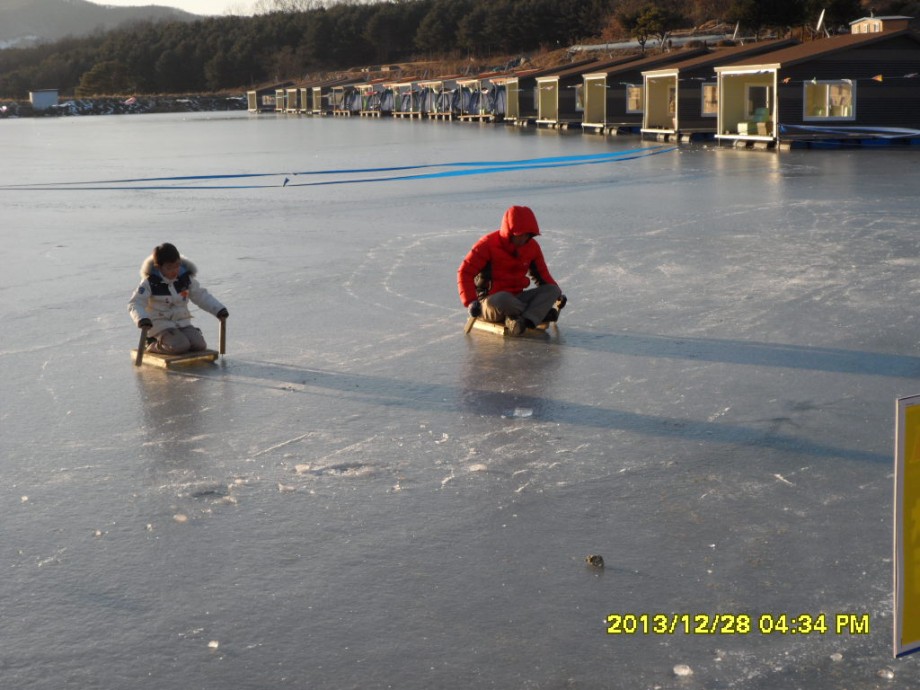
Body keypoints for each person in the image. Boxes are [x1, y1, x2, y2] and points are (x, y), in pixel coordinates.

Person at [457, 205, 565, 336]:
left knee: (553, 290)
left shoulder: (532, 247)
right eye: (520, 235)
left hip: (517, 299)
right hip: (490, 302)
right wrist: (470, 302)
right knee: (503, 299)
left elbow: (542, 274)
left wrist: (558, 295)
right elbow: (465, 272)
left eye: (527, 235)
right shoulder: (486, 245)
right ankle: (537, 315)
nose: (524, 239)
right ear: (510, 232)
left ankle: (520, 321)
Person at [128, 242, 228, 354]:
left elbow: (201, 295)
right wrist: (142, 319)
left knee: (199, 345)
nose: (174, 270)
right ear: (158, 267)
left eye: (177, 266)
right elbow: (135, 303)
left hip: (182, 322)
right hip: (160, 325)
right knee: (180, 346)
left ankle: (181, 338)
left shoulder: (184, 279)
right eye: (169, 268)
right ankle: (152, 343)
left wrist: (218, 309)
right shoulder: (150, 283)